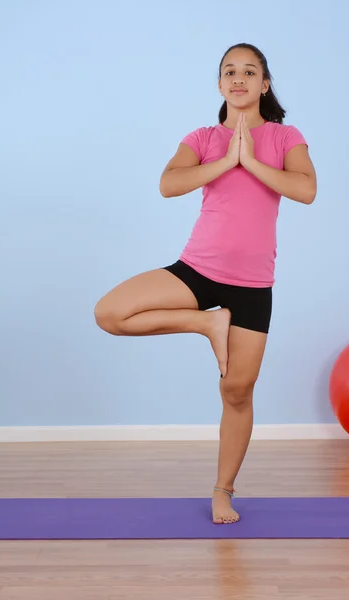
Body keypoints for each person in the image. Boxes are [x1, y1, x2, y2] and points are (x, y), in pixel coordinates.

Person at [94, 42, 317, 525]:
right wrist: (227, 160)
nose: (239, 79)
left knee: (237, 391)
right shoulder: (201, 137)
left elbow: (306, 190)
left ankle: (222, 490)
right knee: (109, 313)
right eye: (229, 72)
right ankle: (207, 324)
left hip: (253, 285)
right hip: (196, 269)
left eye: (249, 71)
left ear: (265, 83)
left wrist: (253, 161)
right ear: (220, 85)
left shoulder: (285, 137)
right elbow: (168, 183)